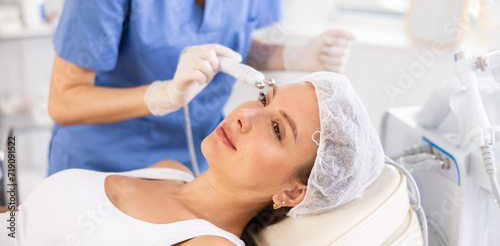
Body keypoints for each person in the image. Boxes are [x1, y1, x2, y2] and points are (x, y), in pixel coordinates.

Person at [47, 0, 355, 175]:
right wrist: (160, 96)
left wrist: (292, 56)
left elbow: (227, 45)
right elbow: (64, 101)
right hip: (104, 164)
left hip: (202, 156)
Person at [1, 72, 384, 246]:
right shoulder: (167, 171)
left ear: (294, 193)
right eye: (265, 99)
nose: (244, 114)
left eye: (277, 129)